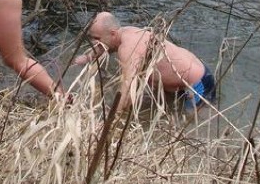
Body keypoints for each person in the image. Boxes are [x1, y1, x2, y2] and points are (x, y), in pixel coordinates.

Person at [73, 11, 216, 114]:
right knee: (169, 110)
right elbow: (105, 46)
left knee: (191, 121)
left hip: (198, 82)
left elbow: (128, 90)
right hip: (180, 78)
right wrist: (86, 58)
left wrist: (111, 119)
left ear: (112, 33)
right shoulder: (125, 32)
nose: (94, 43)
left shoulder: (128, 48)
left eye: (96, 38)